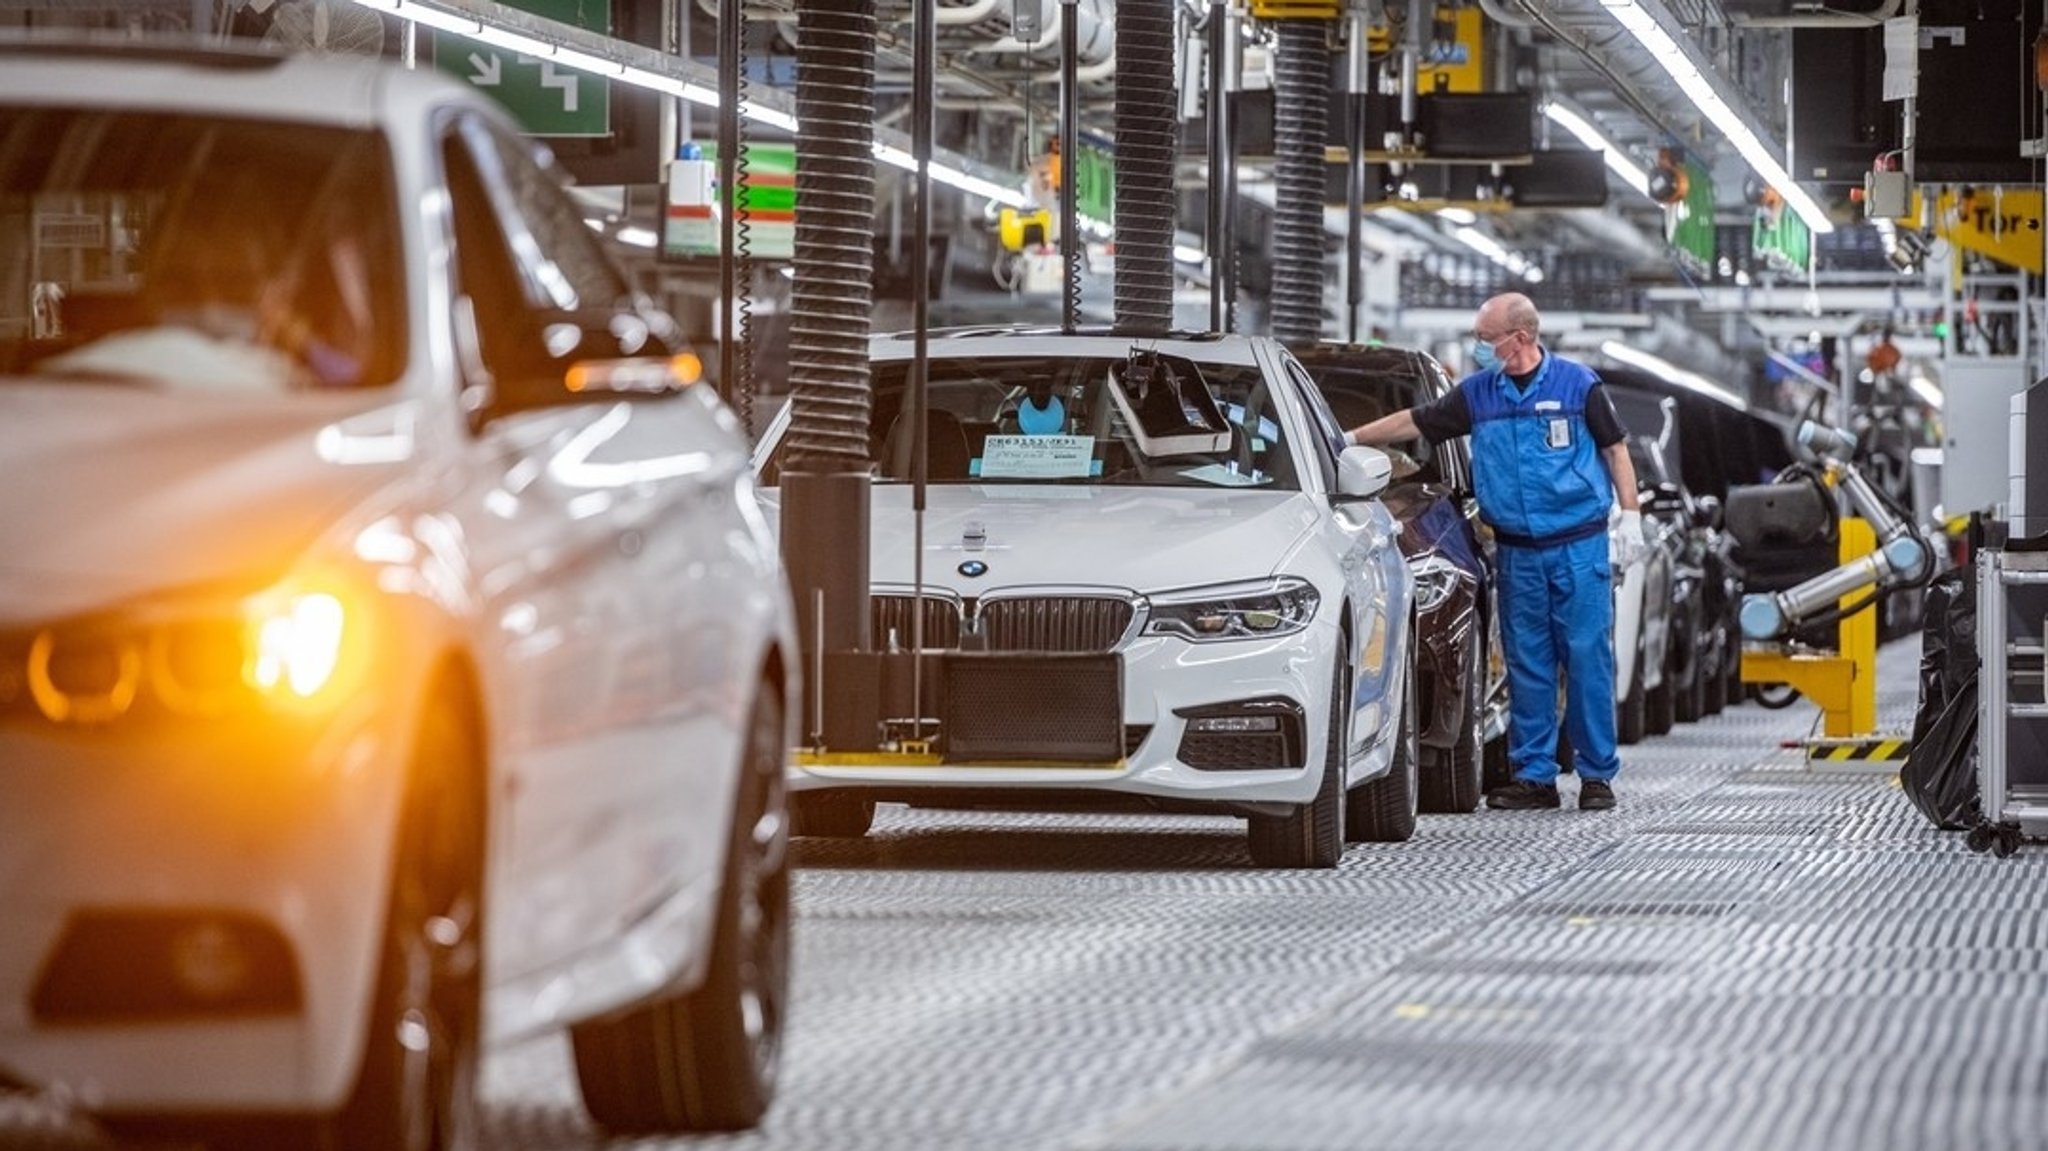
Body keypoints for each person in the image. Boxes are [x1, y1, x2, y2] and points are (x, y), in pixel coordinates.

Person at [1343, 293, 1646, 811]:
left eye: (1485, 338)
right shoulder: (1479, 394)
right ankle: (1535, 777)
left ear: (1520, 338)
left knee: (1588, 659)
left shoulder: (1579, 386)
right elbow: (1416, 421)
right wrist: (1349, 436)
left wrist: (1632, 517)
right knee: (1528, 663)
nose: (1478, 347)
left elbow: (1616, 450)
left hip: (1578, 546)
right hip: (1518, 552)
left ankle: (1596, 777)